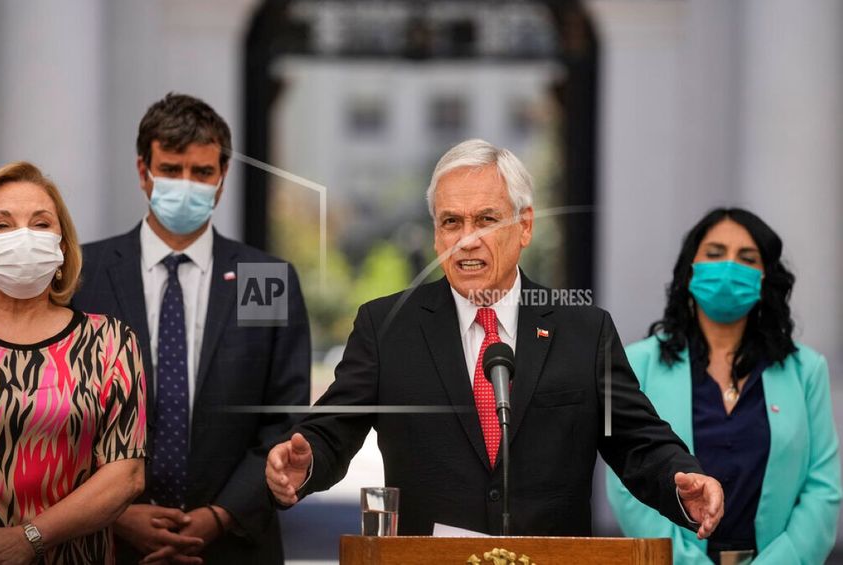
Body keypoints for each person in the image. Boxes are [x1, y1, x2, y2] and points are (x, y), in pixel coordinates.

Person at [266, 139, 724, 538]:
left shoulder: (584, 330)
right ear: (435, 233)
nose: (467, 240)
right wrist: (303, 466)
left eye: (486, 220)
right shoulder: (387, 327)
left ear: (524, 226)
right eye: (451, 222)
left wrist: (683, 480)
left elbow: (635, 440)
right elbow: (333, 430)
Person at [72, 93, 311, 564]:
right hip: (105, 543)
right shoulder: (84, 274)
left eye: (202, 173)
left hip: (233, 544)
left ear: (221, 180)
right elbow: (61, 416)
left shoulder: (260, 279)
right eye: (171, 168)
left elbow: (282, 415)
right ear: (144, 172)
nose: (187, 184)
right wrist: (117, 513)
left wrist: (220, 515)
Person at [606, 208, 841, 564]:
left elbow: (822, 489)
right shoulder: (638, 364)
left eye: (747, 258)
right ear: (690, 271)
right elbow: (627, 484)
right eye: (715, 254)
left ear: (765, 278)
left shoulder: (806, 370)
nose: (729, 267)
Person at [0, 162, 146, 565]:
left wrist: (29, 539)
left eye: (40, 224)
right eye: (1, 226)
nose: (23, 237)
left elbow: (125, 475)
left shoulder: (109, 341)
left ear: (62, 247)